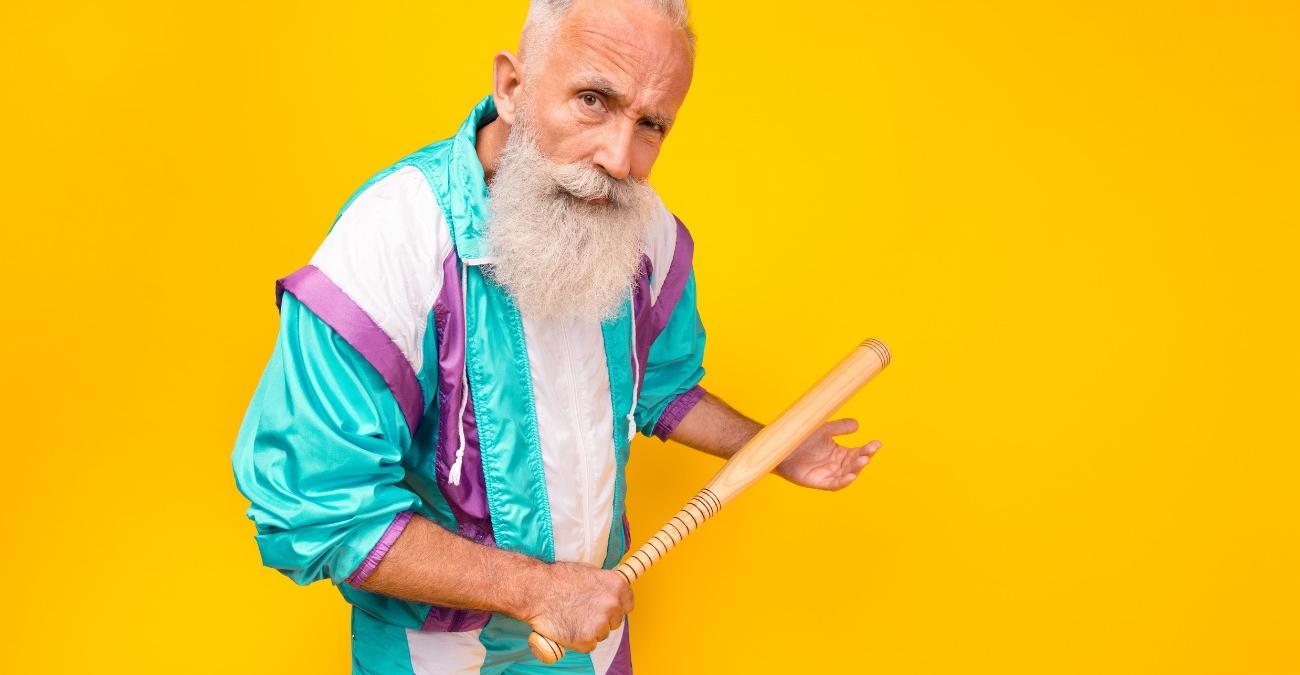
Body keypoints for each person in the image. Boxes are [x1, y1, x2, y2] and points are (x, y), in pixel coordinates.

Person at [231, 0, 883, 672]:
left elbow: (660, 386)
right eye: (593, 100)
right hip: (435, 650)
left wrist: (776, 446)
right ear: (512, 86)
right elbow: (312, 505)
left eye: (651, 125)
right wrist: (538, 591)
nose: (619, 160)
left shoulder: (642, 230)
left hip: (588, 637)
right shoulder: (392, 237)